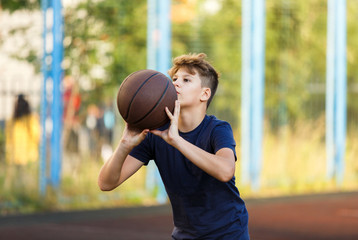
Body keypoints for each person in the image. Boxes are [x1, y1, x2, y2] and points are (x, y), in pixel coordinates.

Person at [98, 53, 250, 239]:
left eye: (186, 80)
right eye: (174, 79)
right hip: (186, 235)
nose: (176, 83)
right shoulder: (155, 134)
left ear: (204, 94)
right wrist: (124, 144)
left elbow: (226, 171)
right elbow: (106, 183)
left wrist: (177, 141)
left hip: (228, 233)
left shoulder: (217, 129)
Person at [5, 94, 40, 190]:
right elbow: (37, 137)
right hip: (30, 156)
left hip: (15, 157)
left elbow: (8, 141)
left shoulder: (11, 121)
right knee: (28, 183)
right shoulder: (32, 120)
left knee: (16, 183)